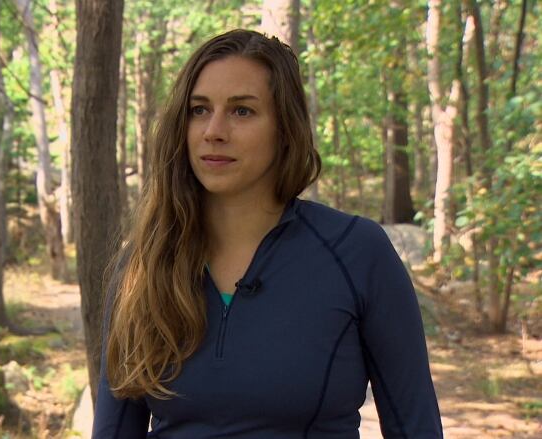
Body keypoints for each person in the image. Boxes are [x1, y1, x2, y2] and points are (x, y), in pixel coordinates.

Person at [92, 29, 443, 438]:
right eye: (199, 110)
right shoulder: (144, 264)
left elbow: (415, 426)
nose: (214, 131)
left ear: (284, 128)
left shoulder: (357, 253)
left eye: (242, 111)